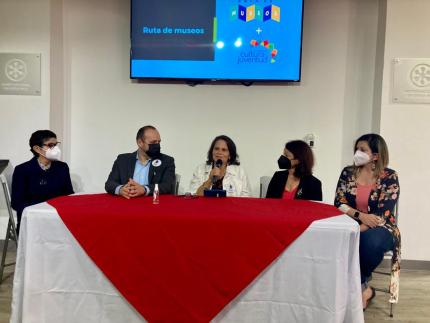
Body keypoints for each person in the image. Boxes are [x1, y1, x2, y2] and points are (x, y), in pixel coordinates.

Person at [334, 133, 400, 310]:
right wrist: (360, 218)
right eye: (356, 149)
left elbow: (385, 211)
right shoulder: (348, 173)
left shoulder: (389, 176)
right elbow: (339, 202)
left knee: (370, 242)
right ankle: (365, 289)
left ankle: (357, 286)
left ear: (375, 156)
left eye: (362, 150)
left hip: (381, 226)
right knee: (334, 238)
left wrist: (362, 228)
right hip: (350, 223)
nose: (357, 152)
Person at [11, 130, 74, 233]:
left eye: (56, 145)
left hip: (58, 219)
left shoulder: (62, 167)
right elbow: (16, 203)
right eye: (51, 145)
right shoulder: (22, 170)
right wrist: (45, 210)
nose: (56, 149)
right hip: (33, 221)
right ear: (37, 148)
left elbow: (69, 194)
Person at [105, 125, 175, 198]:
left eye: (158, 142)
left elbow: (167, 186)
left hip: (151, 204)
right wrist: (121, 189)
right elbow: (109, 184)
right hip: (127, 203)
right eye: (153, 142)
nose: (157, 145)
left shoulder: (167, 161)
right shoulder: (122, 160)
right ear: (140, 143)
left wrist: (145, 189)